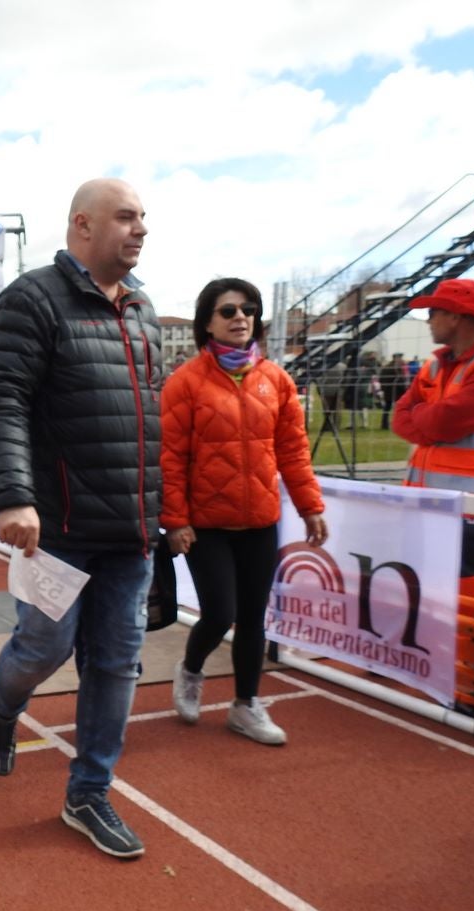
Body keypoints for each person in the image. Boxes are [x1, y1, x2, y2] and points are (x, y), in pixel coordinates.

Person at [0, 177, 161, 859]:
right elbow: (0, 404)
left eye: (143, 219)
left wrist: (164, 510)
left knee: (117, 664)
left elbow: (151, 420)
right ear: (82, 225)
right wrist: (13, 495)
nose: (140, 230)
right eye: (125, 218)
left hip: (130, 534)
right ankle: (3, 704)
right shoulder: (31, 299)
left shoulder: (142, 309)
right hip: (56, 532)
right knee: (44, 648)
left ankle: (88, 792)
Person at [161, 278, 328, 746]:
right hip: (207, 524)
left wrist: (310, 506)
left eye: (248, 310)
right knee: (219, 613)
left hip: (259, 520)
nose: (241, 318)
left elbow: (293, 451)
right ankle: (191, 669)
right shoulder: (185, 383)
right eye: (229, 310)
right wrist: (176, 520)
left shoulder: (276, 380)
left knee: (255, 616)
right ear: (207, 322)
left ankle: (245, 705)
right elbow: (170, 458)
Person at [392, 278, 474, 602]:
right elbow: (400, 417)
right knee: (429, 595)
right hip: (429, 502)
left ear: (456, 316)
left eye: (434, 311)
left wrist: (426, 416)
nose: (428, 320)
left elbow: (443, 422)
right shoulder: (437, 363)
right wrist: (432, 419)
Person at [379, 352, 410, 430]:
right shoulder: (396, 368)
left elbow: (381, 379)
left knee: (387, 408)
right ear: (396, 358)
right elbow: (400, 380)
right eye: (400, 358)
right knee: (399, 408)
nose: (401, 359)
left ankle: (384, 424)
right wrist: (405, 390)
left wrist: (384, 388)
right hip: (396, 390)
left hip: (388, 390)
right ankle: (398, 424)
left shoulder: (386, 367)